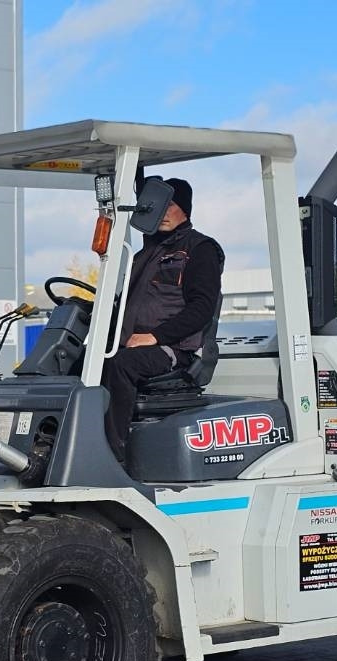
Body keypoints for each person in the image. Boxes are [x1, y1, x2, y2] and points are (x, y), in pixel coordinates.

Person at [102, 177, 224, 462]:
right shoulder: (145, 254)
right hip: (133, 343)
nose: (163, 212)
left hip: (173, 349)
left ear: (185, 210)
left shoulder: (199, 249)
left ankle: (111, 456)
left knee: (120, 364)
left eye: (170, 205)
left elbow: (202, 308)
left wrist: (155, 336)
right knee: (80, 361)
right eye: (160, 205)